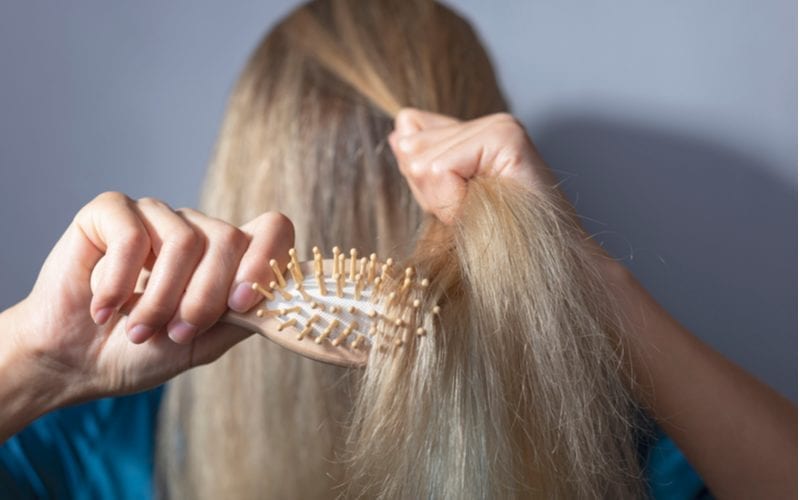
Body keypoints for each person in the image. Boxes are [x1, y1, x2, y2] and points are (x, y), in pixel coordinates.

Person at [1, 0, 795, 498]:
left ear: (239, 167)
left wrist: (29, 365)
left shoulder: (601, 452)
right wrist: (38, 364)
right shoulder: (98, 439)